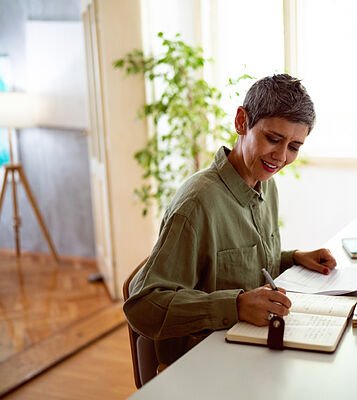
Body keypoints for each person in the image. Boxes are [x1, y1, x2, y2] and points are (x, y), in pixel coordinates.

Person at [124, 73, 337, 366]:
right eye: (273, 139)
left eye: (294, 147)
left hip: (251, 349)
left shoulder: (265, 184)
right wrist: (234, 305)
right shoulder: (197, 204)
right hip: (205, 363)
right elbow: (142, 306)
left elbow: (246, 268)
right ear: (241, 122)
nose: (281, 156)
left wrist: (294, 258)